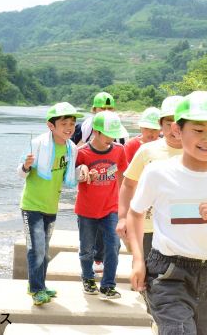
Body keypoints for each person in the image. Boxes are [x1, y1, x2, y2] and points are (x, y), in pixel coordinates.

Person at [127, 91, 207, 335]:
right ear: (178, 130)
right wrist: (138, 260)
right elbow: (135, 213)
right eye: (198, 130)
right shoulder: (158, 172)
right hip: (167, 272)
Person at [17, 102, 83, 305]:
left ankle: (39, 285)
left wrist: (83, 174)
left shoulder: (71, 148)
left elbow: (68, 177)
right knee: (35, 248)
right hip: (32, 205)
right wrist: (26, 165)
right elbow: (20, 173)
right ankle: (36, 289)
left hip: (51, 206)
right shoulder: (38, 144)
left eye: (72, 122)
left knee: (44, 250)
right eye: (64, 122)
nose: (69, 127)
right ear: (51, 125)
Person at [116, 95, 184, 260]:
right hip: (146, 226)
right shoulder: (147, 150)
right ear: (160, 124)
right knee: (144, 273)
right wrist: (123, 218)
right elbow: (129, 185)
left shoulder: (199, 152)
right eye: (169, 124)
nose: (175, 129)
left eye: (182, 124)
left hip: (183, 227)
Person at [75, 111, 129, 300]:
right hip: (87, 209)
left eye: (114, 134)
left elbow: (122, 176)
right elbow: (73, 179)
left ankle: (108, 285)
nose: (112, 138)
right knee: (87, 248)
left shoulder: (119, 150)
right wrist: (83, 174)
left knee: (113, 245)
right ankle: (88, 278)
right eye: (108, 134)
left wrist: (125, 206)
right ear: (96, 132)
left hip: (111, 207)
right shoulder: (81, 153)